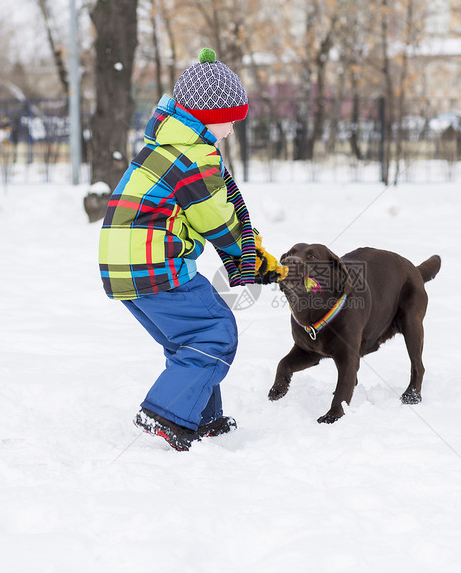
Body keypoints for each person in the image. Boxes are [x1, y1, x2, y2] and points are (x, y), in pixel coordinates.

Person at [99, 48, 285, 451]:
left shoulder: (166, 146)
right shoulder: (193, 156)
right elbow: (214, 217)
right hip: (154, 262)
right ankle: (166, 413)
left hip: (126, 265)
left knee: (191, 340)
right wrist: (250, 253)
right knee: (215, 331)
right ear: (210, 117)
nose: (232, 130)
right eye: (230, 121)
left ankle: (202, 417)